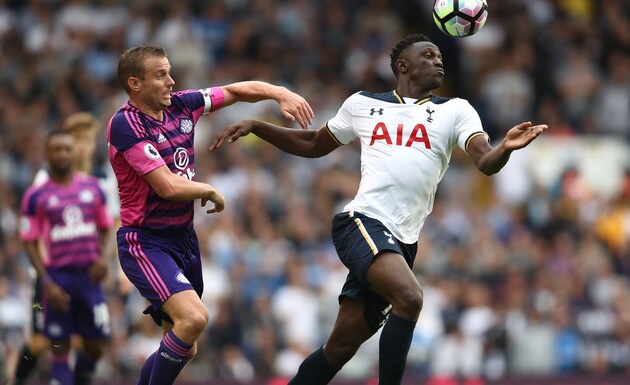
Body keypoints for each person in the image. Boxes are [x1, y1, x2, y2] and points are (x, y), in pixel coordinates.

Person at [209, 33, 548, 384]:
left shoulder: (456, 110)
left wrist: (506, 147)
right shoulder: (362, 104)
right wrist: (258, 126)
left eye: (440, 57)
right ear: (403, 65)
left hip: (401, 242)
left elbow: (486, 162)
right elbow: (314, 143)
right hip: (361, 222)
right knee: (411, 297)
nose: (438, 61)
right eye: (428, 55)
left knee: (339, 348)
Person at [107, 45, 313, 385]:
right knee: (194, 318)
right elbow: (167, 187)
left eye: (170, 72)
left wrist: (279, 92)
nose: (171, 81)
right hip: (145, 242)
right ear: (135, 84)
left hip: (184, 239)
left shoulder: (183, 105)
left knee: (185, 346)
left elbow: (232, 91)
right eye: (161, 75)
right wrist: (209, 190)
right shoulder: (125, 125)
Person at [12, 112, 121, 385]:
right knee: (40, 342)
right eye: (78, 140)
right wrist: (46, 272)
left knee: (92, 342)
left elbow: (111, 223)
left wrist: (116, 267)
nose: (84, 146)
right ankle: (15, 379)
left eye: (88, 140)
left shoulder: (100, 181)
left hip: (88, 274)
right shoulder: (42, 182)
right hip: (48, 278)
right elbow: (33, 230)